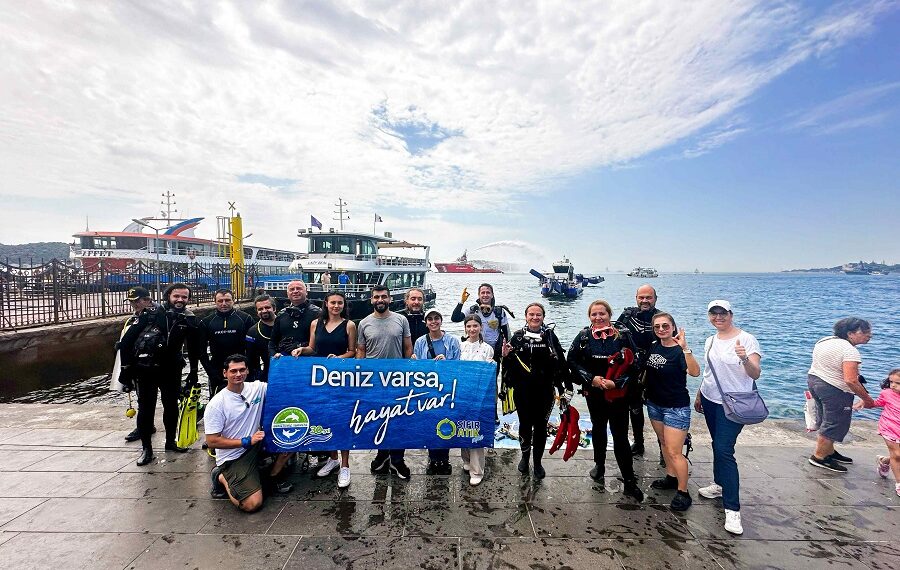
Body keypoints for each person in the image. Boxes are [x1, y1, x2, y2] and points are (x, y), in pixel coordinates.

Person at [694, 300, 762, 536]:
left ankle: (733, 509)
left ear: (731, 314)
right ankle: (719, 485)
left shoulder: (746, 339)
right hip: (711, 399)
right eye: (713, 313)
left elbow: (756, 373)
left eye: (722, 313)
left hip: (735, 403)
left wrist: (744, 358)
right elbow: (708, 371)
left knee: (724, 449)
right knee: (717, 445)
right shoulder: (710, 340)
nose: (718, 317)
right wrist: (700, 393)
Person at [118, 282, 203, 466]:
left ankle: (170, 442)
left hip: (171, 369)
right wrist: (125, 371)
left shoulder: (188, 318)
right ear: (168, 297)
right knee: (146, 409)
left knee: (171, 406)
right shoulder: (150, 315)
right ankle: (147, 450)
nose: (180, 300)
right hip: (145, 369)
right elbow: (125, 343)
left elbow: (194, 348)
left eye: (184, 297)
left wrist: (194, 371)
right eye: (176, 296)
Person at [567, 300, 643, 501]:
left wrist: (616, 383)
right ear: (589, 317)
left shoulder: (623, 335)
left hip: (617, 394)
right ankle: (599, 465)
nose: (598, 318)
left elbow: (636, 363)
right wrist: (590, 379)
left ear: (610, 315)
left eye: (602, 314)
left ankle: (629, 480)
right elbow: (571, 361)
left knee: (620, 436)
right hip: (594, 393)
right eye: (594, 314)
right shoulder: (584, 337)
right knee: (598, 428)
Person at [205, 354, 293, 512]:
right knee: (252, 504)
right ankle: (222, 477)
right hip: (234, 455)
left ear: (247, 371)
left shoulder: (257, 388)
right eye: (233, 371)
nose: (238, 374)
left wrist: (283, 361)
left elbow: (282, 388)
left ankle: (272, 477)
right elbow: (212, 441)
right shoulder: (216, 404)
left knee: (292, 441)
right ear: (225, 373)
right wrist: (246, 441)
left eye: (242, 370)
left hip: (257, 444)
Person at [501, 302, 572, 479]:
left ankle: (538, 461)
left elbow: (561, 364)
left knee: (540, 427)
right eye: (531, 314)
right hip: (522, 391)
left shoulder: (549, 337)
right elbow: (508, 366)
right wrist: (505, 356)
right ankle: (525, 457)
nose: (534, 317)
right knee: (525, 425)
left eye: (538, 315)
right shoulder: (517, 337)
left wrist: (566, 388)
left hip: (545, 391)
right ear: (526, 316)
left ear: (543, 317)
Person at [296, 291, 357, 488]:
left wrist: (339, 358)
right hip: (321, 380)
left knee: (343, 420)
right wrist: (301, 350)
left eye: (340, 303)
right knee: (326, 419)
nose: (336, 306)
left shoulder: (349, 325)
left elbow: (353, 351)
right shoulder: (315, 324)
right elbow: (312, 349)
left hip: (341, 380)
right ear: (326, 303)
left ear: (343, 305)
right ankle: (333, 459)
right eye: (333, 303)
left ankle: (345, 465)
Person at [644, 312, 700, 511]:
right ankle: (670, 476)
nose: (661, 329)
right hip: (655, 404)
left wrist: (685, 348)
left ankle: (683, 491)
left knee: (675, 451)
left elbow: (695, 372)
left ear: (673, 327)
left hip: (676, 407)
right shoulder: (654, 346)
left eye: (665, 326)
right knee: (664, 444)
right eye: (657, 326)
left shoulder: (679, 351)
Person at [357, 285, 413, 479]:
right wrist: (359, 378)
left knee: (399, 420)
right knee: (378, 419)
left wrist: (409, 374)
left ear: (390, 299)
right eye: (376, 297)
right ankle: (382, 455)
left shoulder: (401, 320)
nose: (380, 300)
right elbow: (361, 352)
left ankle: (398, 459)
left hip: (398, 379)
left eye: (383, 297)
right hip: (374, 382)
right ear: (371, 300)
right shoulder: (363, 323)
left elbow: (407, 348)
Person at [807, 317, 876, 472]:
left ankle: (829, 451)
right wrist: (866, 398)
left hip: (815, 381)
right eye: (864, 332)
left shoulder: (825, 341)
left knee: (825, 418)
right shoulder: (850, 351)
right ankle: (819, 457)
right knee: (835, 423)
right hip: (834, 389)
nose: (869, 335)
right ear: (850, 333)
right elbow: (851, 380)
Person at [412, 309, 462, 475]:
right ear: (426, 323)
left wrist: (446, 362)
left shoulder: (453, 341)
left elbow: (458, 365)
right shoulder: (420, 342)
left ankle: (444, 459)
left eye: (436, 319)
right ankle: (433, 459)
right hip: (428, 390)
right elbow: (418, 368)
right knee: (430, 423)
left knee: (446, 422)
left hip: (446, 389)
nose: (433, 322)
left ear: (441, 321)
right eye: (430, 319)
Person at [615, 284, 662, 457]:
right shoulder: (627, 316)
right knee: (634, 408)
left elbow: (670, 343)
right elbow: (615, 338)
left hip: (656, 369)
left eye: (648, 297)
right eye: (641, 297)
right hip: (632, 368)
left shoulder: (661, 318)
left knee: (659, 409)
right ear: (636, 298)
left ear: (655, 299)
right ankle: (639, 442)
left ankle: (664, 448)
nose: (645, 301)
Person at [117, 286, 157, 443]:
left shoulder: (156, 316)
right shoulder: (133, 319)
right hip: (139, 365)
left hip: (157, 362)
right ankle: (145, 427)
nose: (134, 304)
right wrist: (125, 368)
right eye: (131, 301)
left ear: (147, 300)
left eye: (137, 301)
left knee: (172, 395)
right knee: (143, 400)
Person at [459, 315, 495, 485]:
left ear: (481, 327)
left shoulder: (487, 348)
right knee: (462, 427)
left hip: (479, 396)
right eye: (469, 326)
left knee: (475, 431)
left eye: (475, 326)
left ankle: (477, 470)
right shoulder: (460, 346)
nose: (472, 329)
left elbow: (489, 374)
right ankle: (466, 461)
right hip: (461, 394)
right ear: (465, 328)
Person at [199, 289, 254, 397]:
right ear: (215, 302)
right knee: (218, 403)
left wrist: (249, 368)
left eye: (227, 300)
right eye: (220, 301)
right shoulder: (206, 322)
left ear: (233, 301)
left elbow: (253, 347)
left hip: (240, 368)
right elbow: (201, 350)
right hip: (217, 369)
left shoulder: (245, 319)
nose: (224, 304)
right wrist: (210, 371)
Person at [858, 369, 900, 496]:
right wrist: (864, 402)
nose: (893, 385)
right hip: (889, 427)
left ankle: (885, 461)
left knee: (896, 456)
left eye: (897, 383)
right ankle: (899, 483)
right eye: (891, 382)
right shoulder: (887, 393)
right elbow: (876, 403)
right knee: (897, 455)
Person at [451, 283, 511, 357]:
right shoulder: (473, 310)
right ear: (479, 295)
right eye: (482, 293)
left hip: (495, 351)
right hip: (475, 351)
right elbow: (455, 318)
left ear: (492, 295)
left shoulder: (499, 312)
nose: (485, 295)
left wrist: (507, 349)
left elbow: (507, 333)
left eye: (488, 292)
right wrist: (461, 302)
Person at [268, 280, 322, 358]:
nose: (295, 291)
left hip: (309, 360)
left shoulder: (318, 313)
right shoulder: (282, 314)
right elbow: (272, 342)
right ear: (287, 294)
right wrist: (274, 354)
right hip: (285, 359)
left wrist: (301, 345)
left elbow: (323, 341)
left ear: (306, 292)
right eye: (292, 289)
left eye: (299, 288)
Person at [245, 294, 276, 382]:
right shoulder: (252, 332)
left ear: (274, 308)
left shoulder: (285, 324)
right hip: (267, 373)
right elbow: (251, 359)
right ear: (257, 312)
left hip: (290, 369)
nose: (264, 311)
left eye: (267, 307)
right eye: (260, 309)